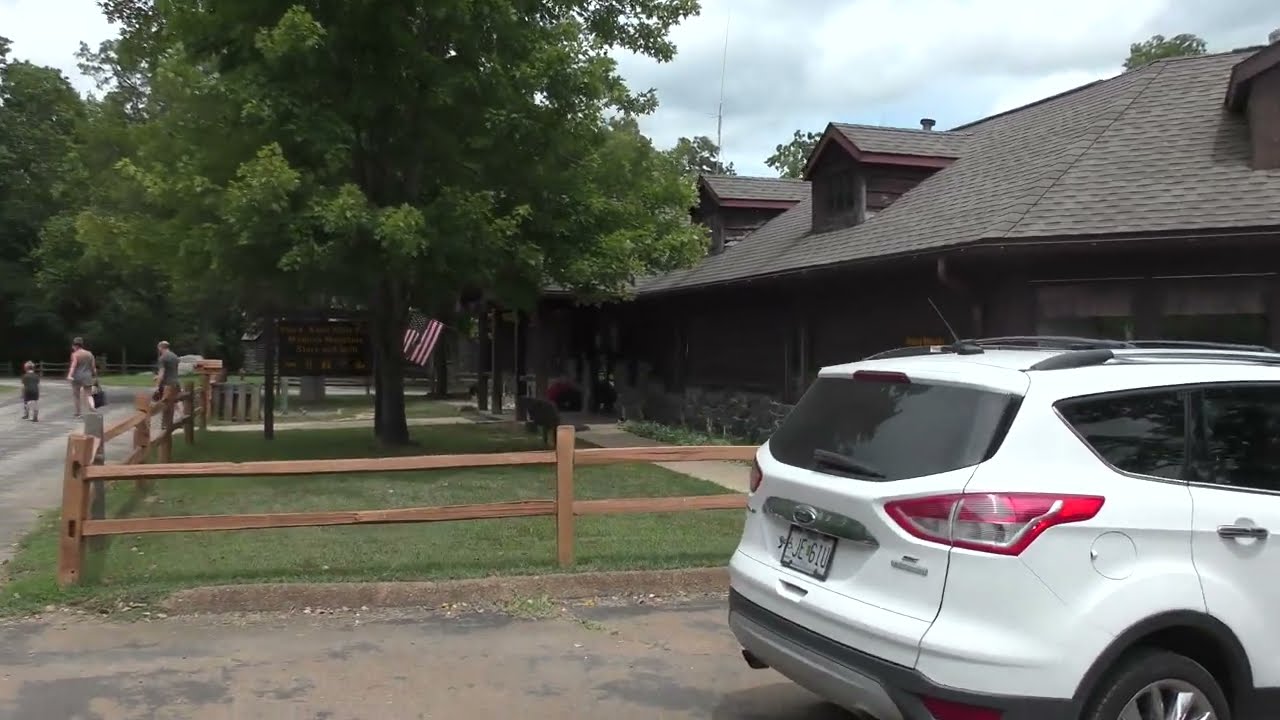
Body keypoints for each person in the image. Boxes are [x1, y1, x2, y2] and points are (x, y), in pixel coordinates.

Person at [67, 337, 98, 418]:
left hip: (77, 377)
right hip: (87, 376)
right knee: (88, 394)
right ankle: (92, 407)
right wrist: (95, 376)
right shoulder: (89, 354)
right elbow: (93, 367)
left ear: (75, 345)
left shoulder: (75, 354)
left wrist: (69, 375)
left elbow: (73, 366)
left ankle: (78, 413)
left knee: (76, 395)